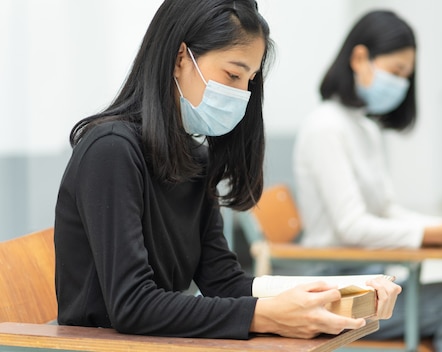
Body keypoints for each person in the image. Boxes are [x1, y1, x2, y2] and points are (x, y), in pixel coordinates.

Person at [53, 0, 401, 340]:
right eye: (232, 74)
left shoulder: (194, 160)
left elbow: (225, 283)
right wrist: (264, 316)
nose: (241, 94)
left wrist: (346, 290)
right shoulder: (111, 150)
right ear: (179, 59)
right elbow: (133, 305)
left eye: (249, 80)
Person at [293, 10, 442, 351]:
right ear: (360, 58)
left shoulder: (364, 128)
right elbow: (351, 227)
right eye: (396, 71)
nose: (401, 84)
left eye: (407, 75)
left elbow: (387, 210)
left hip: (368, 282)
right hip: (339, 291)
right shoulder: (325, 127)